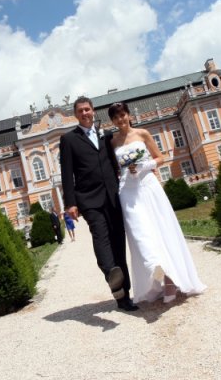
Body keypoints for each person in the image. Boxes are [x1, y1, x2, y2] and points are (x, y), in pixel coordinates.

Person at [108, 101, 206, 304]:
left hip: (149, 187)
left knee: (162, 230)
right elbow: (113, 168)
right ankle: (157, 269)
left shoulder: (142, 134)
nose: (120, 119)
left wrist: (144, 166)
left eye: (122, 114)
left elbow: (161, 158)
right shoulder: (112, 142)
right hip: (127, 192)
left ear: (128, 115)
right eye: (115, 117)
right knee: (140, 236)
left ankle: (169, 280)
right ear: (112, 121)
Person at [60, 96, 138, 311]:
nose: (84, 113)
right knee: (100, 236)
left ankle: (124, 296)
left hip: (113, 195)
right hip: (88, 198)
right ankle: (110, 271)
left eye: (87, 109)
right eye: (80, 111)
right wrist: (70, 203)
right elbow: (67, 173)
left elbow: (118, 161)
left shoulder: (106, 135)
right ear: (76, 115)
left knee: (118, 242)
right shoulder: (69, 140)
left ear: (93, 111)